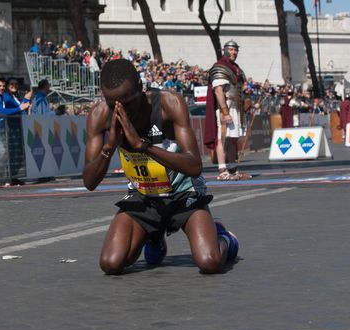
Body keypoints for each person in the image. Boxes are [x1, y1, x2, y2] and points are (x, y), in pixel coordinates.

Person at [83, 59, 238, 275]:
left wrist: (142, 146)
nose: (121, 110)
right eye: (112, 103)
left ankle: (224, 237)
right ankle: (153, 236)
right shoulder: (99, 116)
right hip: (144, 196)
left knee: (209, 262)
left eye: (128, 102)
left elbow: (194, 166)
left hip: (183, 193)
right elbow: (89, 182)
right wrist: (109, 147)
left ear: (140, 87)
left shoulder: (168, 103)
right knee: (111, 263)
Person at [204, 40, 251, 181]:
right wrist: (225, 112)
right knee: (222, 139)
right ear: (225, 50)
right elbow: (218, 91)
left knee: (232, 139)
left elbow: (240, 88)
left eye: (236, 50)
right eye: (231, 49)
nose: (234, 52)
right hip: (225, 107)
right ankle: (223, 170)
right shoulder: (220, 67)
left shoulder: (236, 68)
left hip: (236, 107)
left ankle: (232, 169)